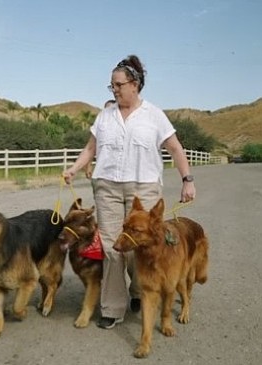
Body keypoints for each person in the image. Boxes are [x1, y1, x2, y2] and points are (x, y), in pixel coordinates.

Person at [62, 55, 196, 329]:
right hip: (107, 186)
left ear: (134, 84)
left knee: (140, 245)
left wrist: (187, 179)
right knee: (113, 247)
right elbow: (91, 148)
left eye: (118, 84)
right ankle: (112, 307)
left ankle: (138, 290)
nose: (114, 89)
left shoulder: (154, 115)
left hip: (143, 187)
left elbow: (175, 148)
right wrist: (74, 168)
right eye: (111, 85)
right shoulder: (105, 116)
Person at [84, 99, 115, 179]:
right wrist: (89, 166)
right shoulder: (100, 128)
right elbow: (91, 149)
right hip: (102, 174)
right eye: (106, 109)